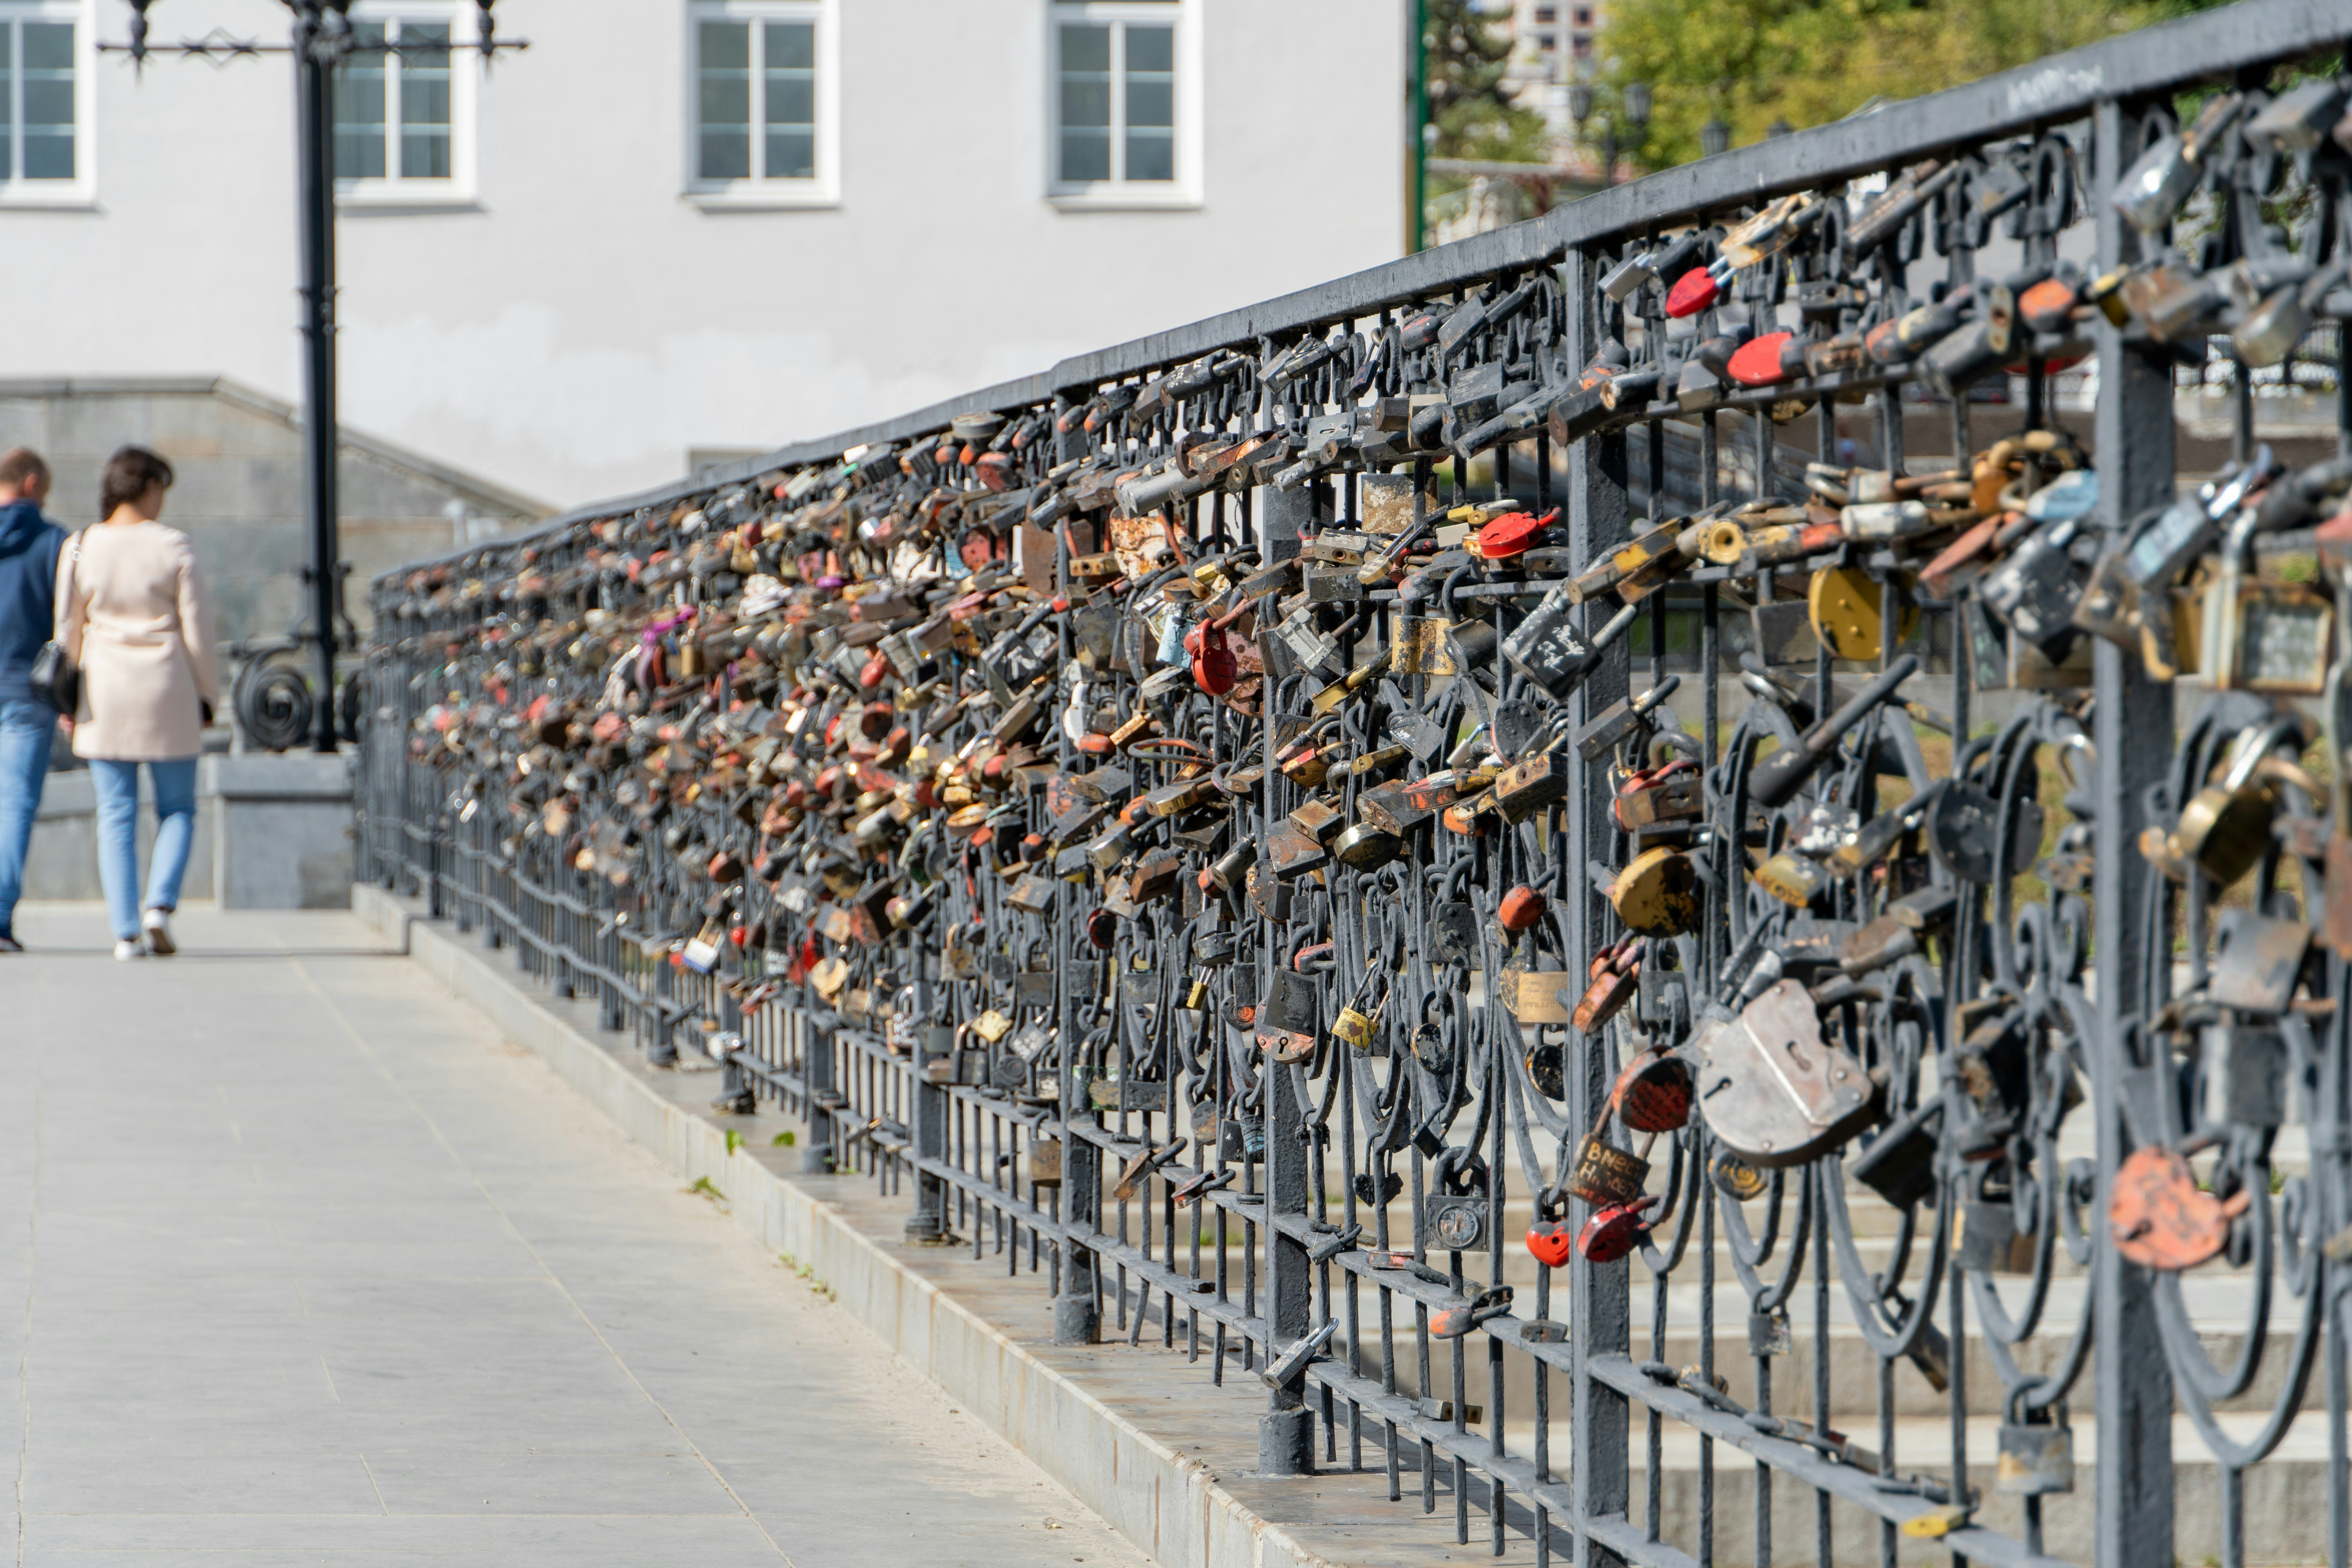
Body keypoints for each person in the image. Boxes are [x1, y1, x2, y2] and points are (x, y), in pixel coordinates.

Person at [55, 445, 218, 961]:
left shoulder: (81, 545)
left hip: (103, 687)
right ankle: (159, 907)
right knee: (177, 809)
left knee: (116, 814)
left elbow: (68, 630)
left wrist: (66, 697)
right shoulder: (173, 546)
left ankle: (125, 932)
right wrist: (208, 692)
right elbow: (198, 631)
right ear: (148, 487)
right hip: (165, 684)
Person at [0, 447, 66, 953]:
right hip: (27, 692)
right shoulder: (55, 543)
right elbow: (68, 627)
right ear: (29, 484)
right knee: (15, 803)